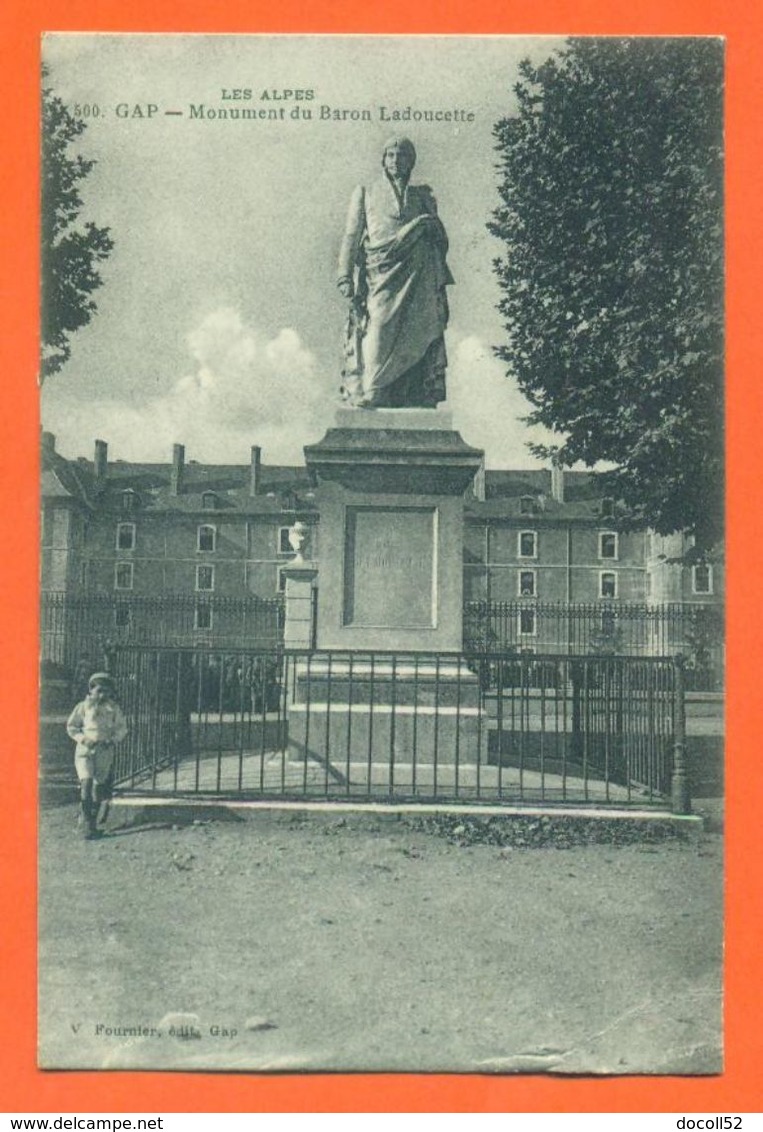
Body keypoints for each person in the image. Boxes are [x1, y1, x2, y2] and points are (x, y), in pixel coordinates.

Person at [337, 136, 453, 409]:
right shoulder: (366, 191)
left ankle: (414, 393)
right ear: (383, 160)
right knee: (377, 327)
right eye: (390, 155)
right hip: (380, 274)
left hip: (418, 274)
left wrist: (426, 224)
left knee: (419, 329)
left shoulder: (421, 196)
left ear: (410, 161)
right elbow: (352, 235)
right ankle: (374, 389)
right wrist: (344, 275)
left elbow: (441, 237)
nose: (395, 161)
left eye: (401, 155)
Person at [66, 672, 128, 840]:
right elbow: (72, 727)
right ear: (91, 690)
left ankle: (92, 824)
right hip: (85, 751)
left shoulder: (113, 708)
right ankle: (85, 822)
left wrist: (113, 740)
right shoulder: (83, 707)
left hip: (104, 751)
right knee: (86, 783)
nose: (102, 695)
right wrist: (83, 739)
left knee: (98, 787)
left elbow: (122, 728)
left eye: (106, 691)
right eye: (99, 690)